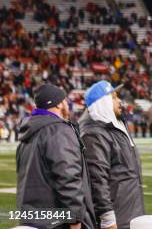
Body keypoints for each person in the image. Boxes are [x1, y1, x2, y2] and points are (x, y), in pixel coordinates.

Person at [16, 84, 96, 229]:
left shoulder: (27, 135)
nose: (67, 104)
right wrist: (76, 219)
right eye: (65, 100)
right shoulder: (58, 130)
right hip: (57, 222)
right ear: (59, 104)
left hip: (32, 219)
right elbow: (68, 178)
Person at [80, 81, 145, 229]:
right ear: (102, 103)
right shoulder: (94, 134)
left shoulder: (116, 126)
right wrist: (107, 218)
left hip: (130, 213)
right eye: (114, 97)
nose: (119, 101)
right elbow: (97, 180)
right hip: (117, 219)